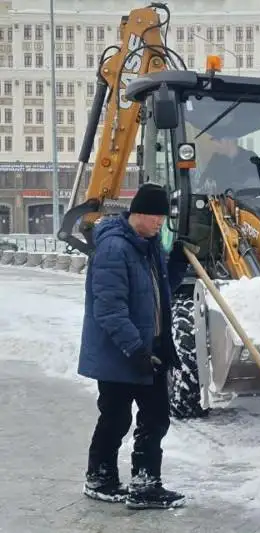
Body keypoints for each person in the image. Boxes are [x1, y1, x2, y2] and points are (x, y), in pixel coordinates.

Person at [77, 183, 189, 510]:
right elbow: (110, 310)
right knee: (116, 418)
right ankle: (99, 478)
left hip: (149, 347)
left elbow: (157, 292)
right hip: (120, 352)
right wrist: (135, 350)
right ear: (138, 214)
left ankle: (145, 484)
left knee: (155, 417)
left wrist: (178, 263)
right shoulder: (114, 249)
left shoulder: (148, 245)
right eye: (156, 216)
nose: (160, 223)